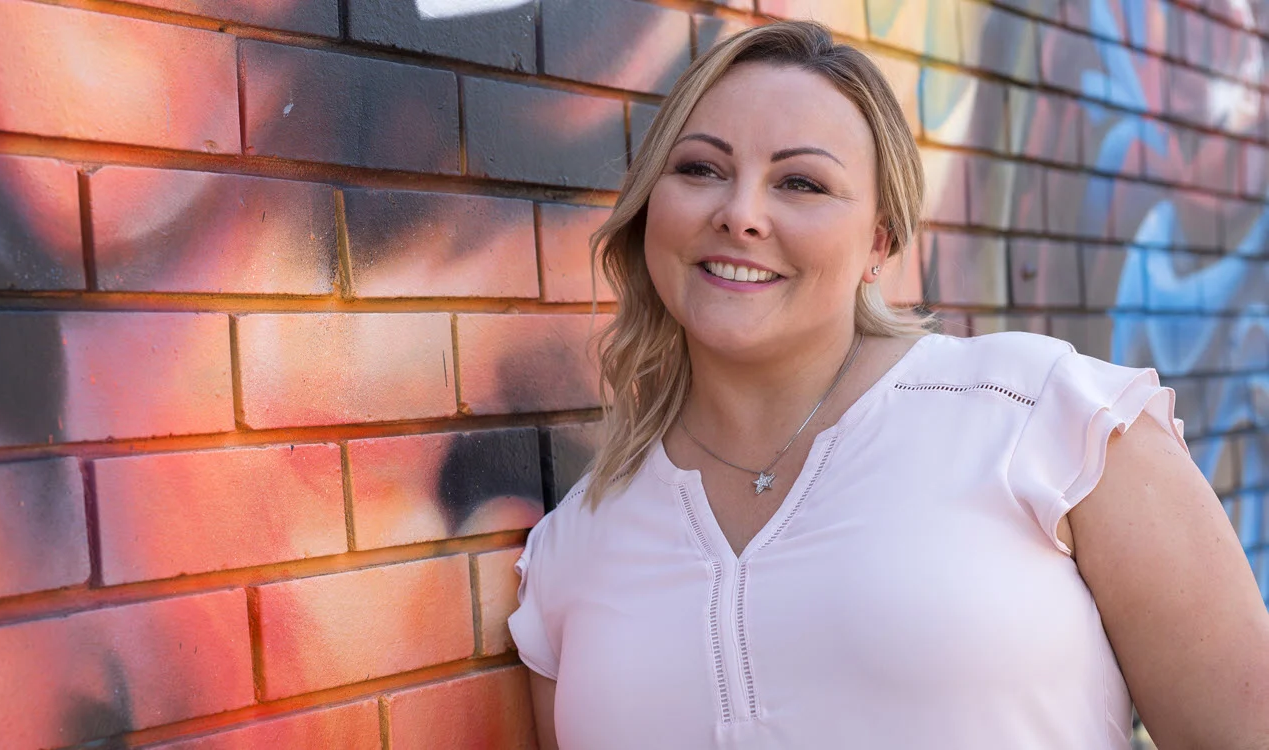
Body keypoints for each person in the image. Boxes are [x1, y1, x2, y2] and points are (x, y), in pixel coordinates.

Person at [509, 20, 1269, 750]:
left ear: (880, 240)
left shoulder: (1049, 418)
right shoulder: (573, 547)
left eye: (801, 182)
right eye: (700, 169)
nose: (739, 214)